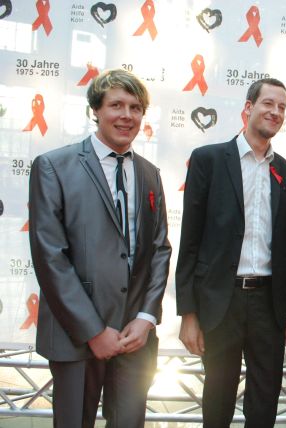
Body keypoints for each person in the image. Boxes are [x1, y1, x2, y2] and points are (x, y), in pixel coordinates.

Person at [29, 69, 172, 428]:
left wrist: (146, 318)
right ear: (96, 110)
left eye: (136, 108)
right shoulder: (53, 167)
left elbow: (159, 249)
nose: (127, 116)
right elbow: (50, 257)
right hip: (76, 335)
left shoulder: (150, 173)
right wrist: (93, 330)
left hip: (135, 338)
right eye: (116, 105)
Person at [175, 78, 286, 427]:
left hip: (269, 303)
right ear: (249, 108)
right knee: (218, 401)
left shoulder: (284, 170)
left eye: (282, 107)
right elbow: (190, 240)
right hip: (221, 301)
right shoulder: (208, 160)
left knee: (264, 404)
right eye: (268, 103)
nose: (275, 112)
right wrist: (188, 313)